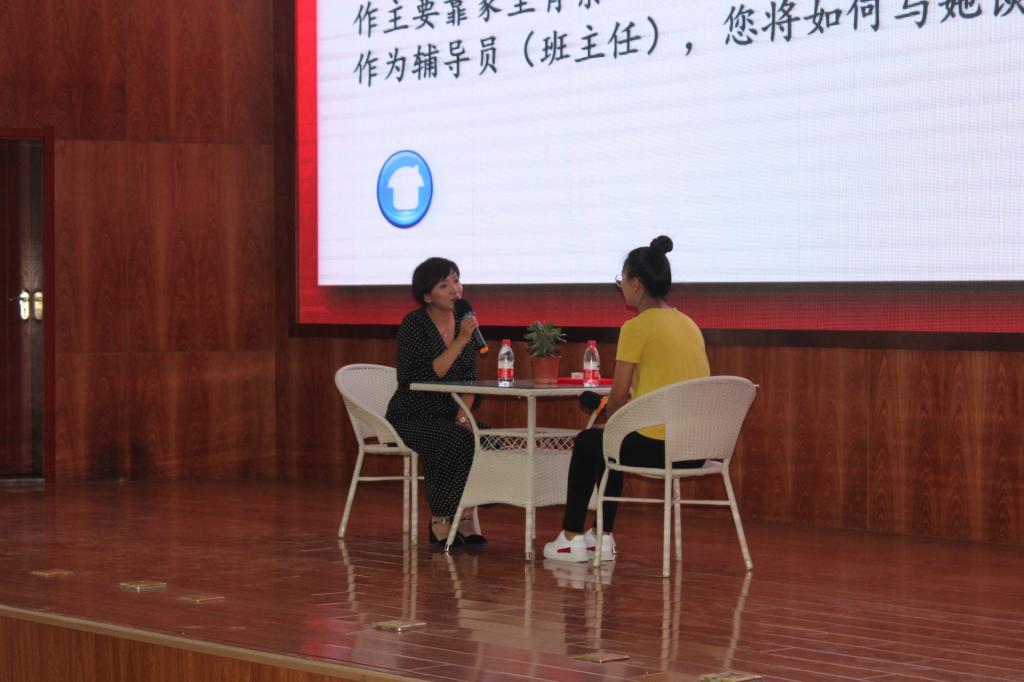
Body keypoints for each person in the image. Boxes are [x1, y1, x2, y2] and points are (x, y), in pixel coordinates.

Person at [543, 236, 710, 563]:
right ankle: (601, 537)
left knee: (590, 441)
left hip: (663, 449)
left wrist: (607, 408)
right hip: (696, 449)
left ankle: (571, 537)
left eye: (621, 279)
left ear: (637, 284)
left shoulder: (637, 327)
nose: (620, 287)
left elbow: (618, 399)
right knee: (612, 437)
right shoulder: (688, 324)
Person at [386, 257, 486, 547]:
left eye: (456, 280)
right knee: (453, 440)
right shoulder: (414, 324)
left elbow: (470, 381)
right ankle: (440, 519)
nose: (455, 289)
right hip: (411, 416)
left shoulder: (464, 325)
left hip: (451, 414)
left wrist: (464, 417)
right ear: (427, 296)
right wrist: (461, 340)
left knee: (488, 439)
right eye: (444, 285)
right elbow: (423, 376)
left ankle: (465, 517)